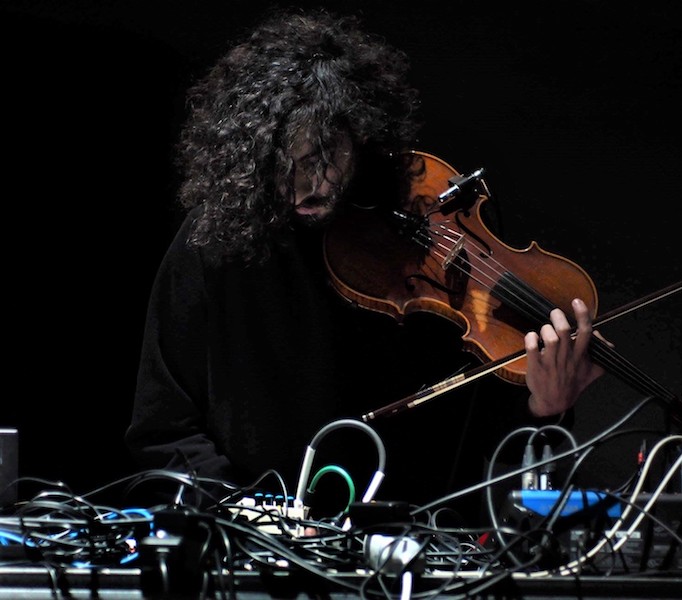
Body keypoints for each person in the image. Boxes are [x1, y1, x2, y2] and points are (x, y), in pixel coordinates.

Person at [124, 7, 603, 522]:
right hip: (256, 543)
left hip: (414, 541)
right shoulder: (210, 239)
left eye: (324, 155)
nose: (309, 185)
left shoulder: (425, 237)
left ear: (361, 135)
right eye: (285, 163)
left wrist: (541, 411)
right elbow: (164, 426)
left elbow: (479, 435)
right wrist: (246, 513)